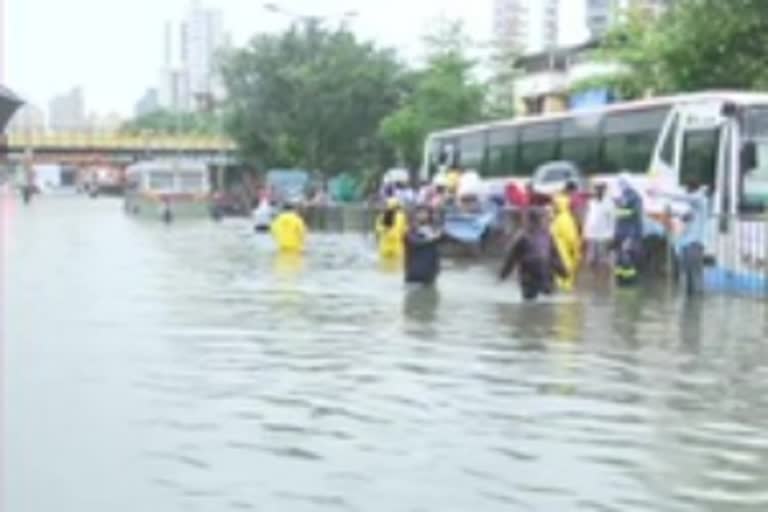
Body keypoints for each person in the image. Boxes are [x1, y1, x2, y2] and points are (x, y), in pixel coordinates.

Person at [652, 180, 709, 296]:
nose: (686, 192)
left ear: (691, 189)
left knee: (695, 276)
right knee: (688, 278)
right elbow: (684, 217)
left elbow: (684, 198)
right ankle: (691, 306)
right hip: (687, 245)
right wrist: (672, 213)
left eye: (687, 190)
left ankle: (696, 303)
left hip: (695, 244)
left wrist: (661, 193)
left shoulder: (699, 199)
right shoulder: (693, 208)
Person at [499, 208, 567, 301]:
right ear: (533, 220)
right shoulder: (522, 237)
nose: (546, 222)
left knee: (547, 302)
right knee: (530, 302)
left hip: (546, 274)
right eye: (544, 219)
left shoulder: (547, 235)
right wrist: (503, 275)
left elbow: (555, 255)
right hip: (529, 276)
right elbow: (512, 258)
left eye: (546, 219)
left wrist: (563, 272)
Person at [614, 173, 644, 287]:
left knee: (628, 260)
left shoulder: (635, 197)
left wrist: (621, 207)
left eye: (622, 183)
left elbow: (635, 215)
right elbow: (618, 219)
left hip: (631, 234)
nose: (621, 185)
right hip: (621, 234)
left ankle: (630, 284)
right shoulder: (622, 197)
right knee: (620, 261)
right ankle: (620, 283)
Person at [551, 194, 582, 292]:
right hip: (558, 257)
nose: (553, 206)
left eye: (555, 204)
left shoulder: (564, 219)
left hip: (564, 257)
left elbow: (572, 239)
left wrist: (575, 253)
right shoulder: (558, 218)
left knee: (564, 285)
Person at [404, 206, 442, 286]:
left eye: (425, 213)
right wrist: (432, 238)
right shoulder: (409, 230)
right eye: (420, 213)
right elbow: (414, 243)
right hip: (415, 271)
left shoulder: (434, 229)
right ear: (414, 215)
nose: (423, 215)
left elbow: (438, 247)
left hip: (430, 271)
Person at [583, 183, 615, 271]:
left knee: (603, 259)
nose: (598, 192)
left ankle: (603, 280)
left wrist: (612, 234)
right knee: (590, 259)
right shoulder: (591, 202)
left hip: (604, 235)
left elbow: (612, 220)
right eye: (597, 190)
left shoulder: (609, 203)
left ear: (604, 191)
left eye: (600, 190)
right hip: (591, 234)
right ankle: (593, 280)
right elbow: (588, 218)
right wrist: (585, 233)